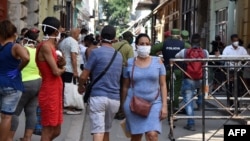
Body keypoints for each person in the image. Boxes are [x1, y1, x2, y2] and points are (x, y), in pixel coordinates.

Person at [78, 25, 123, 141]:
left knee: (98, 131)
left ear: (101, 37)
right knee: (106, 130)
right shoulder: (119, 56)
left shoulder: (95, 53)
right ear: (114, 38)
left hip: (98, 97)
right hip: (114, 99)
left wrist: (80, 86)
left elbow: (84, 75)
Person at [122, 33, 168, 141]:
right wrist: (123, 105)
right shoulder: (130, 63)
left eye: (147, 44)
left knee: (152, 135)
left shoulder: (158, 62)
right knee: (136, 137)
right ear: (136, 46)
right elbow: (125, 86)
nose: (144, 46)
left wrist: (164, 106)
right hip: (134, 105)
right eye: (142, 43)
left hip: (154, 104)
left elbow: (163, 84)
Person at [8, 28, 42, 141]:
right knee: (31, 111)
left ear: (24, 38)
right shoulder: (38, 51)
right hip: (38, 82)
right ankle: (27, 138)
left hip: (24, 83)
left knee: (14, 112)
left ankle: (9, 137)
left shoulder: (23, 51)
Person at [36, 16, 66, 141]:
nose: (61, 31)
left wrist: (62, 62)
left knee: (57, 130)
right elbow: (55, 72)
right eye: (60, 29)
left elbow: (57, 66)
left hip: (55, 91)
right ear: (55, 31)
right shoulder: (46, 47)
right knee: (48, 130)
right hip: (49, 91)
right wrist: (63, 69)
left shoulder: (52, 47)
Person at [0, 20, 30, 141]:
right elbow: (26, 58)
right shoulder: (15, 47)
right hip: (12, 84)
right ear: (14, 34)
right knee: (7, 117)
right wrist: (18, 69)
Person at [175, 33, 209, 131]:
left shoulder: (185, 52)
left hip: (188, 79)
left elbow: (176, 57)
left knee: (189, 102)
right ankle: (200, 103)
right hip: (201, 79)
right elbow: (207, 62)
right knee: (201, 93)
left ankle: (191, 123)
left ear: (190, 41)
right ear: (200, 42)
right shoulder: (205, 52)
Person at [59, 28, 83, 114]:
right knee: (70, 88)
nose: (79, 36)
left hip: (64, 68)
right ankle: (69, 107)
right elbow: (74, 57)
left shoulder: (63, 41)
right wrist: (75, 71)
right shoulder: (73, 42)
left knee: (65, 87)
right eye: (79, 33)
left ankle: (65, 105)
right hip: (70, 69)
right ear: (75, 33)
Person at [113, 31, 134, 120]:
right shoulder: (128, 48)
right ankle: (121, 110)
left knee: (115, 89)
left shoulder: (115, 45)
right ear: (129, 38)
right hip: (124, 71)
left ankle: (114, 109)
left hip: (114, 70)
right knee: (124, 90)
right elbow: (131, 62)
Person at [162, 29, 185, 110]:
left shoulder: (165, 43)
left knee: (164, 88)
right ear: (179, 35)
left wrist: (158, 59)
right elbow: (190, 49)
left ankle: (164, 105)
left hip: (166, 69)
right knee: (175, 90)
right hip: (178, 69)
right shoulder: (183, 44)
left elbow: (153, 49)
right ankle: (174, 107)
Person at [222, 34, 248, 107]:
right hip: (229, 70)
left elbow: (246, 58)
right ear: (231, 41)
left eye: (237, 40)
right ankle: (230, 104)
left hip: (238, 70)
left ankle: (237, 105)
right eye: (234, 41)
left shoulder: (242, 49)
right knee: (229, 88)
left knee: (238, 88)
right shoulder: (227, 49)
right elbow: (223, 58)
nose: (236, 42)